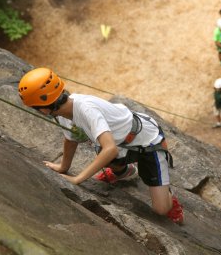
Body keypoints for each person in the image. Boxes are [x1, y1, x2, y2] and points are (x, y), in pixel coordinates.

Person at [18, 68, 184, 224]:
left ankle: (169, 197)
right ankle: (125, 172)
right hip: (120, 141)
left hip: (147, 142)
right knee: (101, 148)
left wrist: (78, 179)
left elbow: (110, 149)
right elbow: (71, 139)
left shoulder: (85, 109)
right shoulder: (62, 112)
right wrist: (63, 167)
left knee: (161, 209)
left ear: (44, 109)